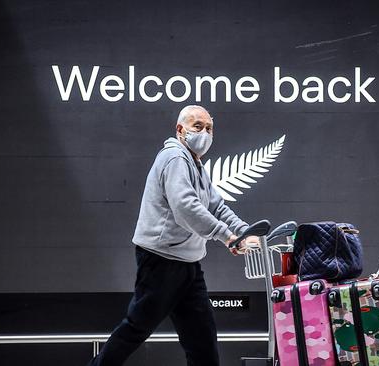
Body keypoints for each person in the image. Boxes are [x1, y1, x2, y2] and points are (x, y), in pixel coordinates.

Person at [86, 105, 258, 366]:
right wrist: (227, 237)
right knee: (136, 328)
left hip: (188, 264)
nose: (204, 133)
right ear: (180, 130)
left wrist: (244, 232)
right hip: (161, 261)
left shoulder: (196, 164)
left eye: (209, 128)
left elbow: (216, 206)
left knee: (202, 339)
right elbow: (186, 207)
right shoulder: (174, 158)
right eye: (197, 126)